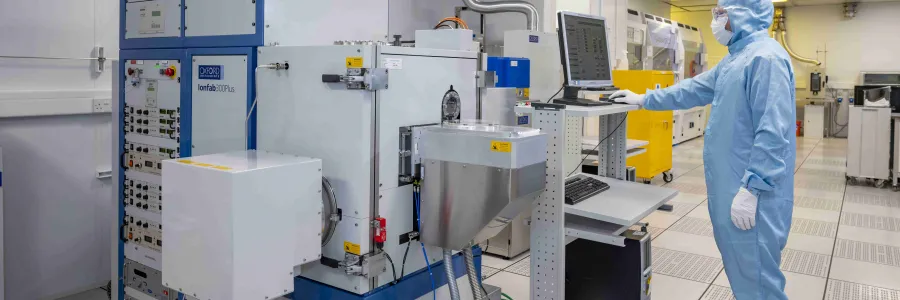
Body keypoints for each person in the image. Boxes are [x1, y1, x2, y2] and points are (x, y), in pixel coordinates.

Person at [611, 0, 796, 298]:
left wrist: (753, 189)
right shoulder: (736, 59)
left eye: (721, 13)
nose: (716, 20)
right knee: (746, 276)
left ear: (743, 14)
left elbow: (773, 132)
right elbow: (693, 89)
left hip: (752, 195)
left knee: (759, 281)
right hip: (733, 188)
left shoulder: (765, 59)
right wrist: (643, 99)